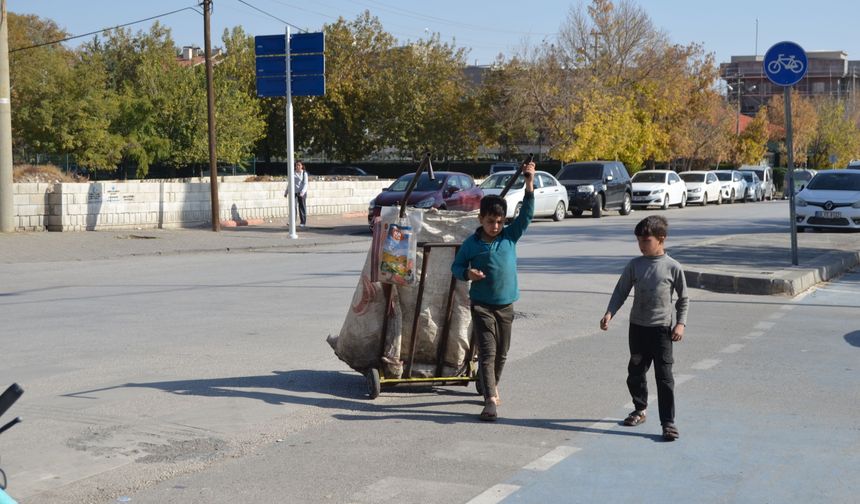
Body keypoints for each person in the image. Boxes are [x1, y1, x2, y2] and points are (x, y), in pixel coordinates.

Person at [451, 161, 536, 421]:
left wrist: (529, 182)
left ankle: (489, 383)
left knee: (502, 352)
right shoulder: (472, 244)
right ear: (481, 219)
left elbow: (527, 215)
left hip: (506, 304)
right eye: (490, 221)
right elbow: (457, 266)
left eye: (499, 222)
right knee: (487, 352)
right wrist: (468, 274)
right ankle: (489, 400)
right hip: (481, 305)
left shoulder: (509, 237)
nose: (495, 226)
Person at [599, 215, 689, 441]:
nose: (641, 245)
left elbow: (683, 298)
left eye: (646, 241)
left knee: (664, 377)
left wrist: (680, 323)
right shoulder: (635, 265)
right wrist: (610, 312)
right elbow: (621, 291)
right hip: (638, 328)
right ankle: (640, 409)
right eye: (639, 240)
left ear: (661, 239)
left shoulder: (673, 267)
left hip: (661, 330)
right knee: (636, 373)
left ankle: (668, 423)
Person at [288, 160, 308, 227]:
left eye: (299, 165)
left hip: (302, 193)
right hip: (294, 192)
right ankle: (292, 221)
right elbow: (290, 183)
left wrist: (302, 192)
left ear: (302, 166)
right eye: (296, 165)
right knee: (293, 207)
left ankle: (303, 222)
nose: (297, 166)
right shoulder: (293, 173)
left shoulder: (304, 173)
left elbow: (305, 184)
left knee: (302, 207)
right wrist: (286, 191)